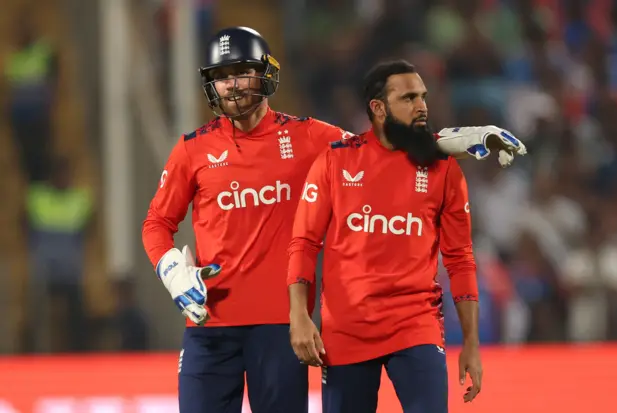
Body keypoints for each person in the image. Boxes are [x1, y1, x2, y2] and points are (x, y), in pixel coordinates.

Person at [142, 27, 524, 413]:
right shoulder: (192, 149)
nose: (231, 86)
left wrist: (451, 141)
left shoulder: (308, 137)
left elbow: (377, 149)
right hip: (208, 327)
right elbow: (156, 223)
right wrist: (171, 268)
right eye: (221, 77)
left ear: (264, 73)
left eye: (240, 72)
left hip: (280, 328)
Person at [287, 60, 487, 413]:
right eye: (409, 98)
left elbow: (460, 258)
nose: (422, 106)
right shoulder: (335, 162)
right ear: (378, 108)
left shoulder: (443, 169)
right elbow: (304, 242)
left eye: (423, 96)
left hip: (415, 325)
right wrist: (300, 315)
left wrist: (471, 341)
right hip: (347, 329)